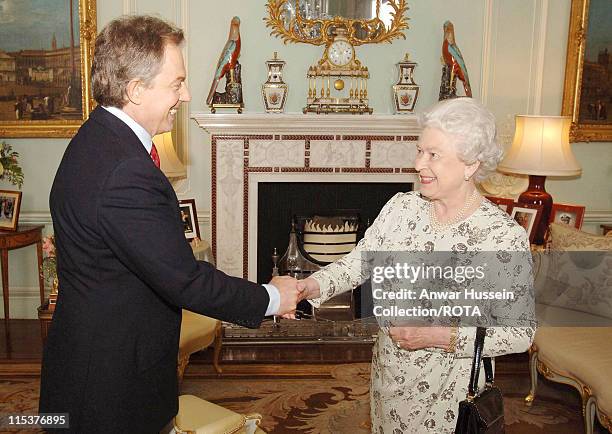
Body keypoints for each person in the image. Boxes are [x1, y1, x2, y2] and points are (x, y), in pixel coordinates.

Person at [39, 16, 301, 433]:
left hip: (94, 364)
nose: (188, 94)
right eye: (176, 83)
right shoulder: (124, 169)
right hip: (111, 389)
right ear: (136, 90)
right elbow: (185, 280)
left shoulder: (96, 138)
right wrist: (272, 297)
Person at [298, 98, 536, 433]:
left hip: (450, 393)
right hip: (388, 379)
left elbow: (519, 334)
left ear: (470, 165)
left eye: (433, 155)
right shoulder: (401, 208)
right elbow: (360, 263)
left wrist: (440, 336)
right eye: (419, 150)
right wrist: (310, 286)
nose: (419, 164)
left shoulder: (501, 236)